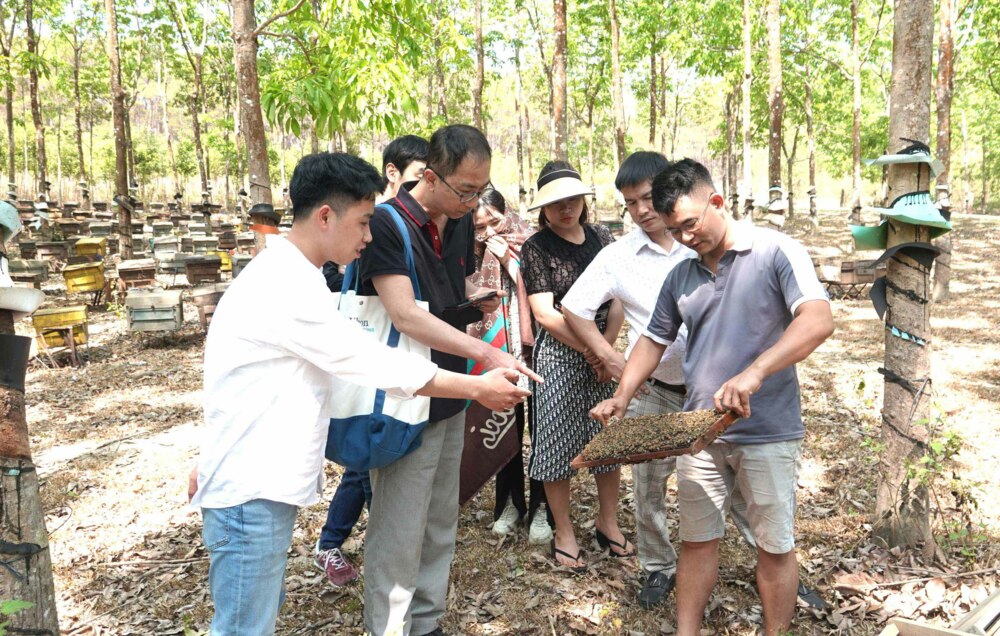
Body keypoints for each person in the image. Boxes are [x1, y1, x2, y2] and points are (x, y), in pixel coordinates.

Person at [189, 152, 531, 636]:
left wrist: (210, 454)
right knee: (244, 628)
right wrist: (476, 385)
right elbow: (372, 362)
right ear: (325, 216)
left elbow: (239, 381)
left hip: (253, 480)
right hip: (250, 489)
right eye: (364, 222)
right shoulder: (285, 285)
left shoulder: (294, 275)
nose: (369, 236)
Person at [591, 158, 834, 636]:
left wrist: (756, 372)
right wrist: (622, 394)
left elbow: (818, 320)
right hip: (698, 433)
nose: (683, 238)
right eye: (673, 230)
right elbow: (653, 340)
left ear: (716, 202)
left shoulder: (775, 251)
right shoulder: (681, 275)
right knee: (697, 541)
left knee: (774, 545)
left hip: (768, 430)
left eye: (690, 225)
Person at [358, 124, 541, 636]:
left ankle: (426, 621)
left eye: (481, 190)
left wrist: (472, 321)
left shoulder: (458, 220)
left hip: (452, 392)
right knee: (399, 525)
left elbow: (446, 296)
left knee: (441, 517)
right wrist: (486, 353)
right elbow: (405, 315)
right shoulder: (388, 224)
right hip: (405, 393)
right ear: (430, 176)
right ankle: (388, 626)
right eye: (465, 190)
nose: (475, 204)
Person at [314, 134, 430, 588]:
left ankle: (331, 541)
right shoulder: (384, 223)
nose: (367, 233)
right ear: (393, 175)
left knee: (362, 463)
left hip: (381, 364)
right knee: (366, 464)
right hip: (373, 358)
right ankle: (338, 546)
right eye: (418, 178)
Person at [519, 160, 627, 572]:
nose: (566, 209)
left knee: (608, 440)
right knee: (556, 442)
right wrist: (592, 350)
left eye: (573, 201)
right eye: (556, 204)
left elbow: (617, 296)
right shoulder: (536, 248)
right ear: (543, 209)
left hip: (604, 345)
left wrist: (607, 346)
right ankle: (564, 531)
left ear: (584, 201)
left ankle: (608, 521)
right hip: (562, 350)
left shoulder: (602, 237)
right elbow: (545, 314)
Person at [463, 190, 551, 543]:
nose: (488, 233)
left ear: (508, 214)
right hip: (497, 351)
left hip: (539, 351)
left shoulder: (533, 241)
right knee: (504, 424)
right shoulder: (471, 253)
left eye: (495, 222)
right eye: (479, 227)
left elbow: (544, 288)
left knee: (543, 430)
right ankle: (509, 503)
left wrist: (511, 263)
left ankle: (543, 505)